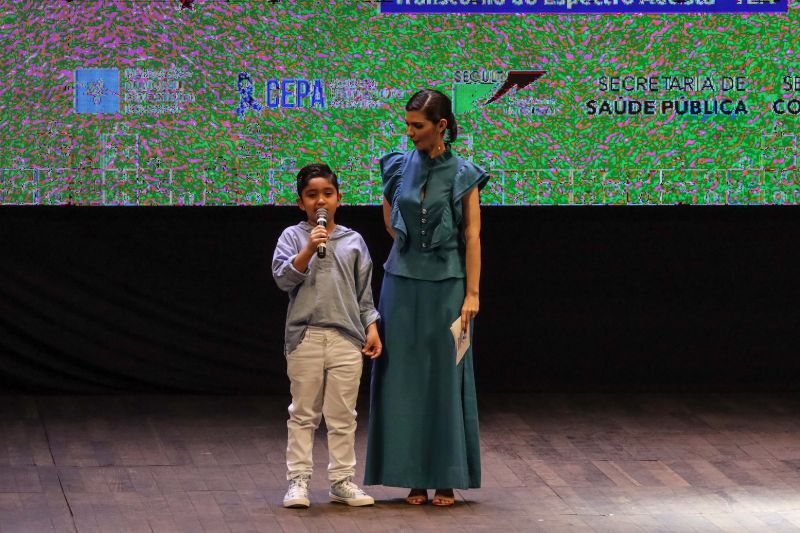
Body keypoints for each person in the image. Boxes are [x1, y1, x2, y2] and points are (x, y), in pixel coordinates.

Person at [365, 89, 489, 506]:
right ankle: (412, 477)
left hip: (448, 286)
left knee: (444, 376)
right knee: (404, 378)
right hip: (400, 282)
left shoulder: (464, 173)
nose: (410, 133)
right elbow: (390, 219)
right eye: (407, 125)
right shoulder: (397, 165)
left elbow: (472, 234)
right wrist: (410, 248)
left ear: (441, 126)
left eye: (418, 126)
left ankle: (445, 478)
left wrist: (471, 293)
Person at [272, 163, 382, 508]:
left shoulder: (353, 241)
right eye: (312, 195)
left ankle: (342, 481)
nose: (321, 201)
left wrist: (372, 327)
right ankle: (299, 481)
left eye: (327, 194)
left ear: (339, 198)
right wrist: (308, 249)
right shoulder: (292, 237)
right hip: (305, 335)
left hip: (346, 336)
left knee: (343, 415)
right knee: (303, 413)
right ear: (301, 202)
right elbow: (283, 279)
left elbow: (363, 293)